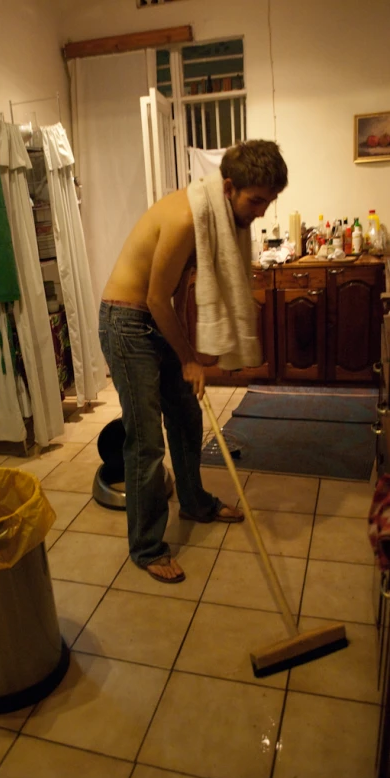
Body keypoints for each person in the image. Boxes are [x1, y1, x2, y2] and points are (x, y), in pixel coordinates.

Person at [98, 140, 288, 583]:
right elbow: (153, 297)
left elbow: (179, 292)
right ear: (228, 187)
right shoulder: (187, 218)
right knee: (146, 441)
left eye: (269, 201)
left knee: (185, 415)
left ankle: (195, 502)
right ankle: (146, 547)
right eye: (256, 200)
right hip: (126, 323)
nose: (261, 211)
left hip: (154, 321)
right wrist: (187, 358)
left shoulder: (213, 217)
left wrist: (185, 353)